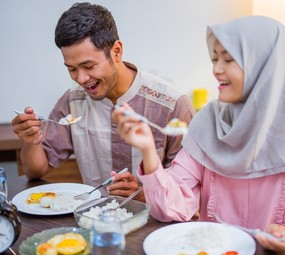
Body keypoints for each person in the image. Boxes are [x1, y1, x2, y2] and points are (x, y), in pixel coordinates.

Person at [113, 16, 285, 255]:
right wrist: (148, 150)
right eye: (215, 59)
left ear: (263, 65)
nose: (216, 69)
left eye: (229, 60)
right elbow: (172, 208)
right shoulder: (207, 123)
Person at [11, 2, 195, 202]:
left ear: (116, 51)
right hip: (95, 223)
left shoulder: (172, 105)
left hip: (157, 226)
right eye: (71, 69)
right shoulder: (73, 101)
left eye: (88, 66)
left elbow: (188, 193)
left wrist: (143, 193)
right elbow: (35, 171)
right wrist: (31, 141)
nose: (81, 79)